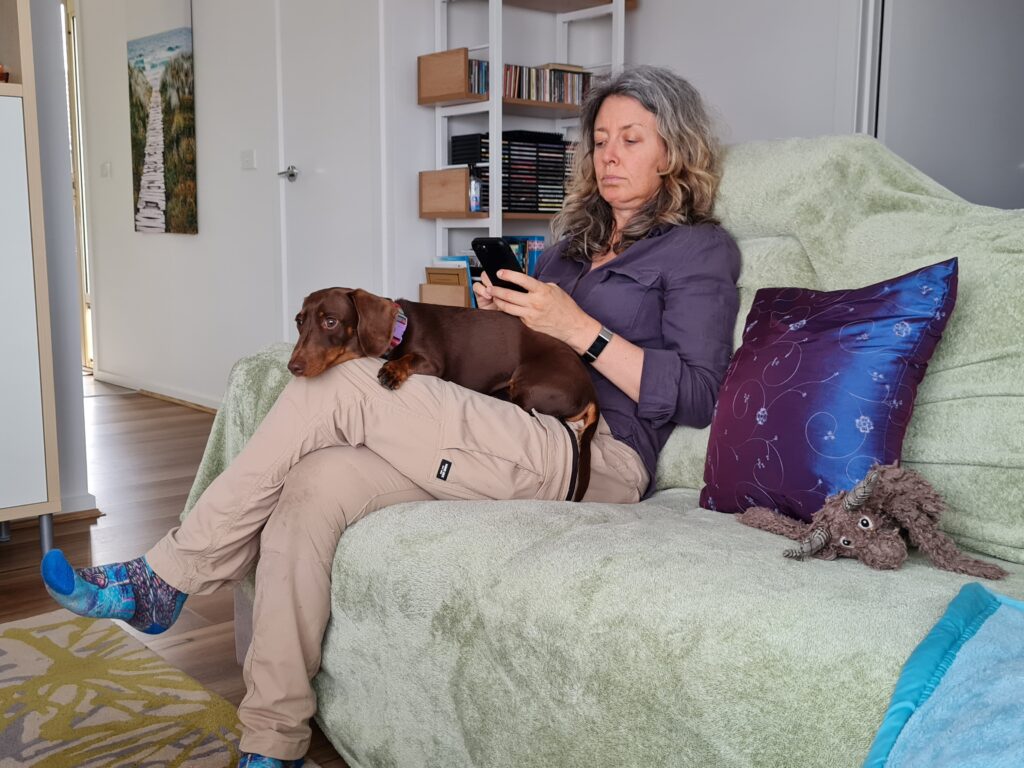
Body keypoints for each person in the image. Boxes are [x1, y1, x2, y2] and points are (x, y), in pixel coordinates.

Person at [41, 65, 740, 768]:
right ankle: (271, 744)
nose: (609, 154)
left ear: (672, 151)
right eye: (600, 140)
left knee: (344, 381)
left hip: (595, 455)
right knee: (312, 484)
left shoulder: (700, 250)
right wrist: (501, 316)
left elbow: (701, 393)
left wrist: (578, 327)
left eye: (631, 139)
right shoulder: (567, 249)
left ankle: (165, 577)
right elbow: (507, 354)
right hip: (501, 424)